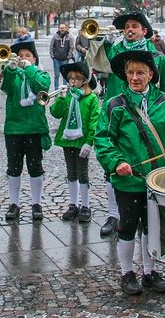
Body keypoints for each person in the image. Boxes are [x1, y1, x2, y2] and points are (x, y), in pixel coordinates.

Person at [95, 50, 165, 295]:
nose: (134, 77)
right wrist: (116, 162)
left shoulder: (164, 102)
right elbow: (103, 139)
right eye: (130, 73)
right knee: (126, 226)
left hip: (157, 179)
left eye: (140, 73)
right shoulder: (115, 104)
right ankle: (127, 273)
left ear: (150, 74)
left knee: (151, 226)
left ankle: (149, 272)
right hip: (128, 178)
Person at [86, 12, 165, 238]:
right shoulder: (116, 51)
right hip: (117, 113)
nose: (130, 30)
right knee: (114, 165)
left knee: (146, 163)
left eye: (135, 26)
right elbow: (93, 65)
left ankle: (148, 210)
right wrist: (99, 42)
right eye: (127, 26)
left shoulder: (157, 56)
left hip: (147, 116)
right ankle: (114, 214)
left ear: (145, 31)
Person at [1, 40, 52, 221]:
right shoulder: (12, 74)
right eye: (20, 56)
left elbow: (42, 86)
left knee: (35, 166)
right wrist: (11, 69)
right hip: (14, 128)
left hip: (34, 128)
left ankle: (36, 204)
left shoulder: (40, 73)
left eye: (27, 56)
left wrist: (29, 68)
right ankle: (14, 203)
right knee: (13, 168)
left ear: (35, 59)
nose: (23, 58)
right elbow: (5, 87)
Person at [49, 61, 100, 223]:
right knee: (71, 173)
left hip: (82, 141)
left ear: (84, 80)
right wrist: (61, 99)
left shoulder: (91, 98)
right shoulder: (68, 95)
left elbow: (94, 121)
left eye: (76, 79)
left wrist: (89, 142)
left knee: (82, 174)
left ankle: (85, 205)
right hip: (67, 140)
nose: (72, 82)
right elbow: (56, 114)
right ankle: (73, 204)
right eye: (70, 79)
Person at [50, 23, 75, 89]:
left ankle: (64, 89)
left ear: (65, 28)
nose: (62, 29)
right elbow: (51, 46)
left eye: (63, 28)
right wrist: (52, 56)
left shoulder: (69, 37)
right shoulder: (55, 36)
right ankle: (56, 89)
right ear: (59, 28)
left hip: (65, 59)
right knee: (56, 76)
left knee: (65, 76)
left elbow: (71, 47)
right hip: (56, 59)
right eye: (61, 28)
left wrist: (69, 57)